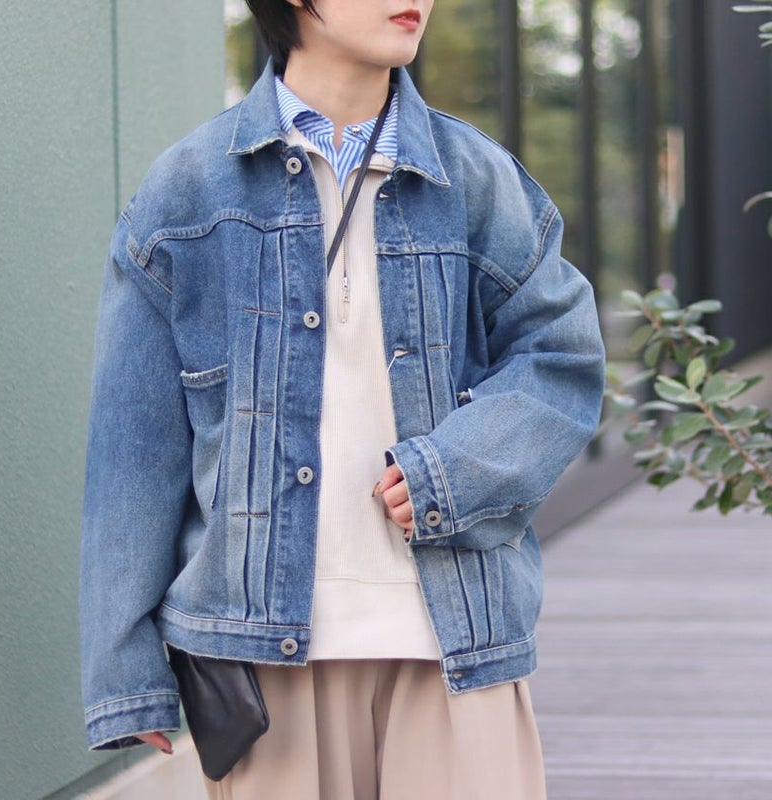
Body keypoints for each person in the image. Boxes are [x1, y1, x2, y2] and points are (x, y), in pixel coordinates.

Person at [80, 1, 605, 797]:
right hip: (263, 657)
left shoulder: (475, 178)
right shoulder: (186, 192)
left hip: (455, 638)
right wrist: (123, 667)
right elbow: (134, 447)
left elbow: (560, 355)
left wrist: (454, 473)